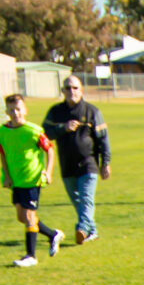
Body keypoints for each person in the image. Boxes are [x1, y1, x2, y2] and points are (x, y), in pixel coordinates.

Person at [0, 94, 62, 268]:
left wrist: (48, 172)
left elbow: (50, 150)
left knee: (29, 216)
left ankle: (31, 256)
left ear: (25, 110)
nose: (15, 113)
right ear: (6, 112)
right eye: (11, 110)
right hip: (16, 180)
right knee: (21, 217)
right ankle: (53, 234)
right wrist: (6, 176)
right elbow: (2, 154)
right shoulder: (2, 132)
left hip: (32, 178)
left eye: (18, 109)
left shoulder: (34, 131)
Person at [41, 77, 110, 246]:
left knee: (86, 198)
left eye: (75, 87)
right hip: (67, 164)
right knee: (77, 201)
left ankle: (82, 229)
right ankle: (92, 231)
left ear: (81, 90)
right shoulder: (55, 112)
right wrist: (63, 128)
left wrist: (105, 162)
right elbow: (44, 133)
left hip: (88, 163)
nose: (71, 91)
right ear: (62, 91)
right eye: (67, 88)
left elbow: (103, 139)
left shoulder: (92, 111)